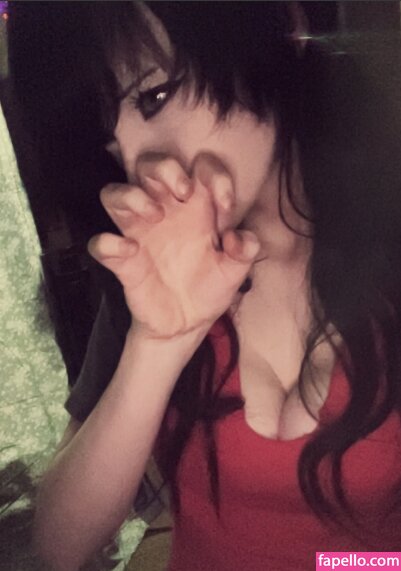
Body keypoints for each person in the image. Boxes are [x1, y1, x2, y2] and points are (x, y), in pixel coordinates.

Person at [33, 2, 401, 570]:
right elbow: (59, 547)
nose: (138, 163)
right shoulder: (151, 283)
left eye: (155, 96)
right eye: (110, 141)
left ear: (281, 25)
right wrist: (158, 346)